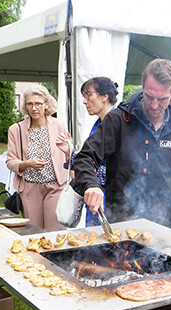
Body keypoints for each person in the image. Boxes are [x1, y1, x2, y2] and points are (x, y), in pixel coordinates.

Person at [73, 59, 171, 229]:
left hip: (163, 223)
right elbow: (85, 157)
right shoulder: (119, 119)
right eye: (149, 96)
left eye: (162, 99)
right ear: (142, 86)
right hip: (121, 220)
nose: (154, 105)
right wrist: (91, 185)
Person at [6, 85, 69, 232]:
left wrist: (69, 149)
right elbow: (10, 161)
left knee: (55, 230)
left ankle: (56, 255)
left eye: (38, 104)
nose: (34, 108)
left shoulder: (58, 125)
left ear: (46, 104)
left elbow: (68, 152)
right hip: (29, 188)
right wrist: (26, 164)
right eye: (30, 104)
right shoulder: (16, 129)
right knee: (33, 231)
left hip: (55, 186)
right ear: (25, 106)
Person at [58, 76, 119, 227]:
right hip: (95, 196)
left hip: (111, 202)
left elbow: (114, 166)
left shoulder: (117, 123)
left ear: (104, 96)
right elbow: (93, 160)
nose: (85, 101)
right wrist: (71, 153)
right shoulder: (99, 123)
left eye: (88, 95)